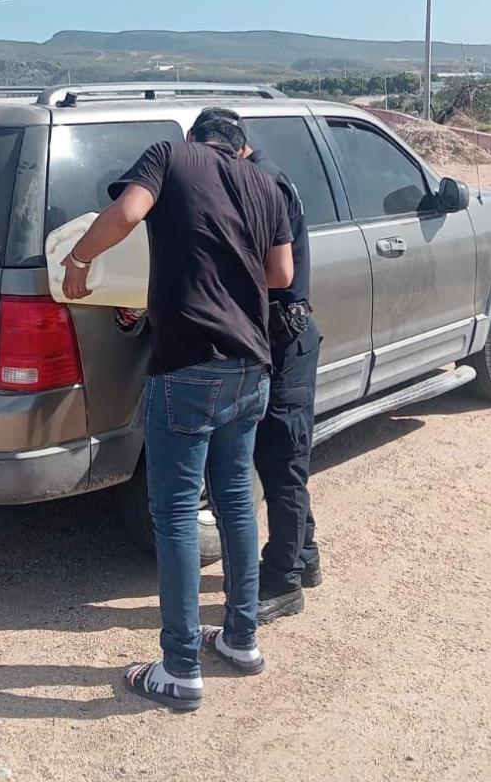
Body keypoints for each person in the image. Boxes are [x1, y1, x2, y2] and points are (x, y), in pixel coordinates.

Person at [61, 111, 294, 711]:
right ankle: (241, 640)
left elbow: (127, 213)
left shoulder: (170, 155)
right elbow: (281, 273)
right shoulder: (266, 184)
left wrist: (79, 261)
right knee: (237, 499)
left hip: (189, 364)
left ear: (195, 137)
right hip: (251, 364)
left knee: (175, 514)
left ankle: (181, 666)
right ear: (242, 150)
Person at [201, 108, 324, 624]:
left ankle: (282, 582)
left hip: (282, 335)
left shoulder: (262, 183)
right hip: (273, 333)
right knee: (282, 453)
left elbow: (274, 273)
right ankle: (305, 556)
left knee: (281, 456)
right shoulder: (258, 174)